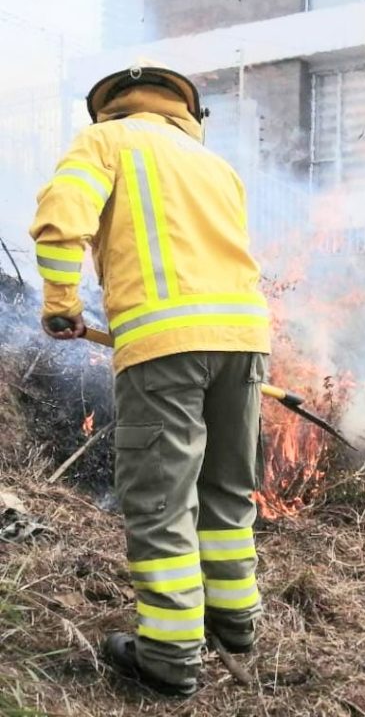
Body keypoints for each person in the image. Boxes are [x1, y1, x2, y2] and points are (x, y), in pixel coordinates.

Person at [29, 60, 271, 696]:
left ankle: (167, 658)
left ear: (112, 106)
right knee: (226, 489)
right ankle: (235, 621)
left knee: (160, 500)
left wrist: (60, 303)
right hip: (245, 343)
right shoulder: (217, 168)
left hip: (165, 349)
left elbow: (61, 222)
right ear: (183, 109)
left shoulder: (106, 140)